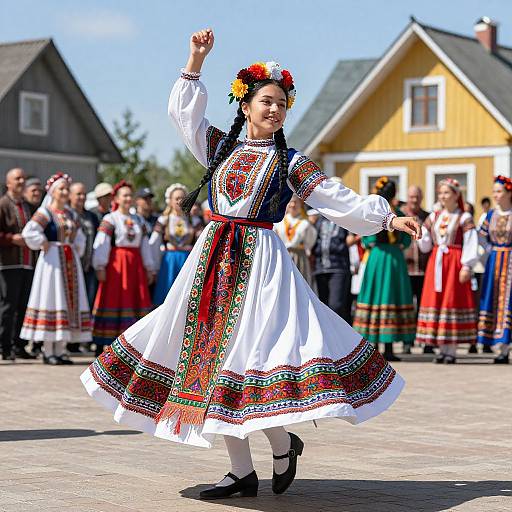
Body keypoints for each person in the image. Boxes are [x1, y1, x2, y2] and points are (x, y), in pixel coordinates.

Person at [81, 29, 420, 500]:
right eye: (266, 100)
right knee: (210, 363)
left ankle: (279, 445)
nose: (275, 109)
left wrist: (386, 215)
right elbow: (184, 116)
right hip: (212, 260)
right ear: (245, 105)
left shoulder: (291, 162)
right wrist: (195, 60)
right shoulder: (221, 148)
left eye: (282, 102)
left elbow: (334, 198)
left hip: (261, 268)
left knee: (249, 359)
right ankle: (244, 468)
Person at [20, 173, 92, 364]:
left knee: (68, 302)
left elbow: (80, 236)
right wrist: (42, 242)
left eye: (66, 189)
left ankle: (60, 350)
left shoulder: (70, 214)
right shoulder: (46, 213)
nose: (64, 192)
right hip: (52, 261)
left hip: (69, 260)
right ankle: (48, 350)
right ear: (52, 191)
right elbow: (29, 231)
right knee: (52, 298)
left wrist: (77, 245)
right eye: (61, 188)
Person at [416, 178, 479, 363]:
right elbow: (425, 243)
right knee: (437, 302)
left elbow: (470, 241)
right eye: (440, 193)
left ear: (456, 195)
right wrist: (419, 235)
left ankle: (450, 350)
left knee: (451, 302)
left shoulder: (464, 217)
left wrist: (467, 265)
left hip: (454, 264)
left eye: (446, 193)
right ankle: (441, 350)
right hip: (437, 262)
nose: (443, 196)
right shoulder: (435, 216)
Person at [353, 178, 415, 361]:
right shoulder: (399, 214)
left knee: (377, 297)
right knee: (391, 298)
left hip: (377, 258)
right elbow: (406, 239)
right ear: (394, 194)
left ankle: (375, 347)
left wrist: (371, 244)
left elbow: (366, 239)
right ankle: (388, 348)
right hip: (393, 259)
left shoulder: (374, 213)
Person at [91, 181, 155, 355]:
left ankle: (132, 343)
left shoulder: (138, 220)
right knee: (115, 298)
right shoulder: (110, 219)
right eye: (124, 195)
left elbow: (145, 246)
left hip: (135, 265)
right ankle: (106, 342)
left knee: (134, 300)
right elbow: (102, 243)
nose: (127, 199)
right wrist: (100, 265)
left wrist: (149, 267)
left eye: (129, 195)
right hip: (117, 265)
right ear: (117, 198)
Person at [0, 168, 37, 360]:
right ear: (8, 183)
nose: (21, 181)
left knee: (24, 306)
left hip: (28, 262)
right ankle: (5, 346)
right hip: (9, 264)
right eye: (17, 178)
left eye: (23, 178)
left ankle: (19, 345)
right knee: (9, 306)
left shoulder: (28, 206)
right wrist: (11, 238)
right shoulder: (3, 204)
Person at [477, 176, 512, 363]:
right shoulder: (491, 215)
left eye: (499, 191)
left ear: (508, 193)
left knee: (508, 302)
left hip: (510, 262)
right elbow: (481, 236)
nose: (495, 195)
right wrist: (490, 250)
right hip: (494, 263)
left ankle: (505, 345)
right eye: (495, 191)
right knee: (494, 299)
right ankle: (499, 348)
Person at [311, 178, 353, 323]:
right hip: (320, 267)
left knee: (336, 305)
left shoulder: (346, 215)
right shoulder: (320, 216)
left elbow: (353, 235)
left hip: (339, 266)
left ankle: (341, 341)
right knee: (324, 307)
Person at [150, 184, 198, 306]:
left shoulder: (193, 220)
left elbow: (202, 239)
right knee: (168, 294)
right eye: (176, 198)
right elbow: (154, 243)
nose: (179, 201)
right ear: (170, 201)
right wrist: (153, 266)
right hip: (169, 262)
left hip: (188, 260)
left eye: (182, 198)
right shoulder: (164, 220)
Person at [401, 185, 430, 353]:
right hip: (405, 270)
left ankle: (426, 342)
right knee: (407, 308)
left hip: (424, 269)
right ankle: (407, 342)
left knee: (424, 308)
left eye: (417, 197)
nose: (414, 200)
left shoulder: (427, 217)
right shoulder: (401, 215)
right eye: (412, 197)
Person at [274, 194, 317, 286]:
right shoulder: (279, 222)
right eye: (291, 202)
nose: (293, 205)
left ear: (300, 205)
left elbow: (310, 242)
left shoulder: (305, 223)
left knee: (299, 284)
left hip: (299, 257)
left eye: (296, 202)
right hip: (282, 255)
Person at [69, 183, 100, 309]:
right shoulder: (66, 215)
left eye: (84, 194)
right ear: (70, 196)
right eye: (78, 194)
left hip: (89, 268)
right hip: (70, 269)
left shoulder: (91, 216)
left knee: (88, 302)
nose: (82, 197)